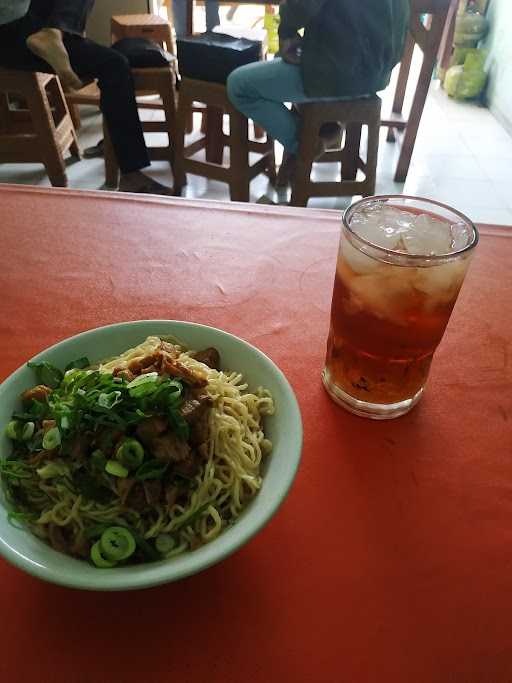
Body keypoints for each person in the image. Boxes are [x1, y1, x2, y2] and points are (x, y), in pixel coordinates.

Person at [227, 0, 410, 185]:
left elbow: (299, 6)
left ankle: (307, 143)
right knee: (280, 63)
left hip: (334, 73)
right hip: (375, 77)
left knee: (239, 85)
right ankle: (322, 128)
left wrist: (287, 32)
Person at [0, 0, 173, 195]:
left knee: (112, 63)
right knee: (114, 66)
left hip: (28, 26)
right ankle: (131, 174)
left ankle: (56, 32)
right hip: (11, 36)